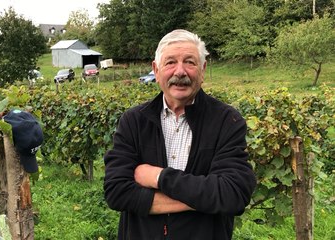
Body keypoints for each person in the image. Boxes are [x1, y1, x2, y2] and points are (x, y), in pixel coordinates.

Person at [103, 29, 256, 239]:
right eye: (170, 62)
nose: (180, 71)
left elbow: (233, 193)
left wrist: (158, 177)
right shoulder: (134, 121)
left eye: (190, 62)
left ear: (203, 70)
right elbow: (117, 192)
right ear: (156, 70)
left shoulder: (226, 121)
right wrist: (203, 198)